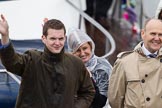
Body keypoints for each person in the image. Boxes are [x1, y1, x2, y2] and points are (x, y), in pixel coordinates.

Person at [0, 14, 95, 108]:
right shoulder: (32, 59)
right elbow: (11, 63)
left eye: (61, 38)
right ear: (43, 39)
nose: (57, 43)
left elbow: (88, 92)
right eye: (53, 38)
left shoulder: (76, 63)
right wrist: (5, 36)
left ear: (65, 38)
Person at [108, 18, 162, 108]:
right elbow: (115, 100)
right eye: (153, 34)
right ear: (143, 34)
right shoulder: (124, 62)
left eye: (160, 34)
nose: (157, 38)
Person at [67, 28, 112, 108]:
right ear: (72, 53)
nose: (82, 53)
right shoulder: (69, 67)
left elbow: (100, 102)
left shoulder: (102, 67)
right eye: (77, 50)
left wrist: (89, 78)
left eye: (85, 48)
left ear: (91, 47)